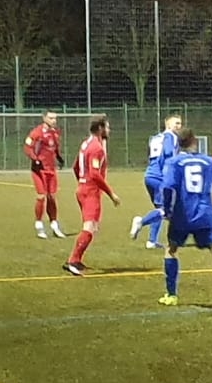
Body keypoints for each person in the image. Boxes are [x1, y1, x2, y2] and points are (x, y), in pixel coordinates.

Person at [160, 128, 212, 312]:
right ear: (195, 141)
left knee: (171, 250)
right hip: (206, 214)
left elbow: (167, 187)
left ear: (178, 144)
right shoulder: (209, 161)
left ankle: (171, 295)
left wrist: (167, 209)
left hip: (182, 215)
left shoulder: (174, 162)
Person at [64, 118, 121, 276]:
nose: (109, 130)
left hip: (83, 189)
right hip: (91, 191)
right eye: (107, 127)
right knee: (89, 227)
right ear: (100, 128)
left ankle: (77, 260)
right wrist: (111, 194)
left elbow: (76, 166)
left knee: (93, 226)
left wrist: (82, 182)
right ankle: (72, 261)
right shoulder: (97, 148)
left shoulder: (86, 143)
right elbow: (95, 174)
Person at [131, 114, 182, 249]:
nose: (179, 126)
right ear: (168, 124)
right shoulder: (171, 137)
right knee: (165, 210)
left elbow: (152, 155)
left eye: (180, 123)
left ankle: (152, 241)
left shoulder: (156, 137)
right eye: (176, 123)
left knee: (159, 209)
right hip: (160, 177)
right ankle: (141, 222)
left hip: (149, 175)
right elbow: (168, 155)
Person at [24, 111, 68, 239]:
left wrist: (59, 158)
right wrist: (35, 159)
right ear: (44, 118)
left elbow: (55, 148)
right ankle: (39, 225)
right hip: (39, 170)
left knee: (52, 197)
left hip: (51, 170)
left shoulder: (55, 133)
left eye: (55, 118)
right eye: (51, 118)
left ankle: (54, 224)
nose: (54, 120)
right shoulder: (36, 132)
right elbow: (27, 147)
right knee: (41, 196)